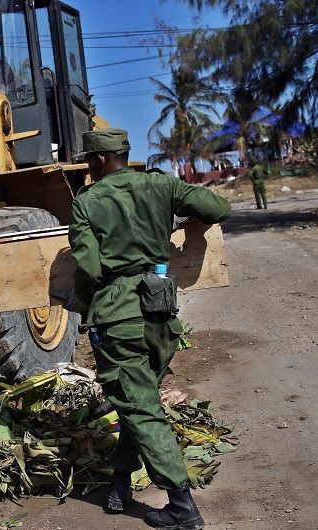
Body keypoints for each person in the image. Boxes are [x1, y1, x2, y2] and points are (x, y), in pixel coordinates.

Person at [65, 129, 231, 529]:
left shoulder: (88, 202)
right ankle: (121, 486)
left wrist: (87, 302)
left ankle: (181, 506)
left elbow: (87, 268)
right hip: (160, 313)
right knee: (137, 402)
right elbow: (218, 208)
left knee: (140, 408)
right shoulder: (162, 185)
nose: (87, 165)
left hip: (119, 317)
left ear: (102, 160)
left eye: (89, 159)